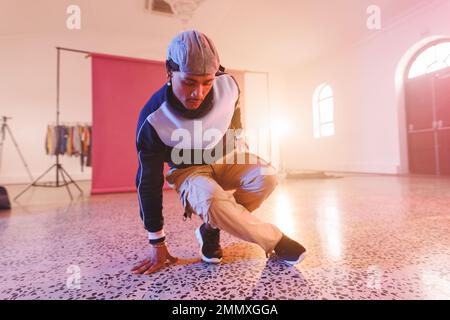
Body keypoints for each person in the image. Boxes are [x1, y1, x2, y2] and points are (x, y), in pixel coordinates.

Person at [131, 30, 306, 275]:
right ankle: (275, 240)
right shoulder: (152, 119)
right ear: (169, 72)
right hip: (188, 170)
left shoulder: (229, 86)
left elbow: (234, 117)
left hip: (226, 157)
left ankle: (210, 230)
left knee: (266, 175)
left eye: (207, 82)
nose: (198, 93)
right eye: (189, 82)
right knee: (211, 198)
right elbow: (147, 182)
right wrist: (157, 242)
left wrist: (238, 144)